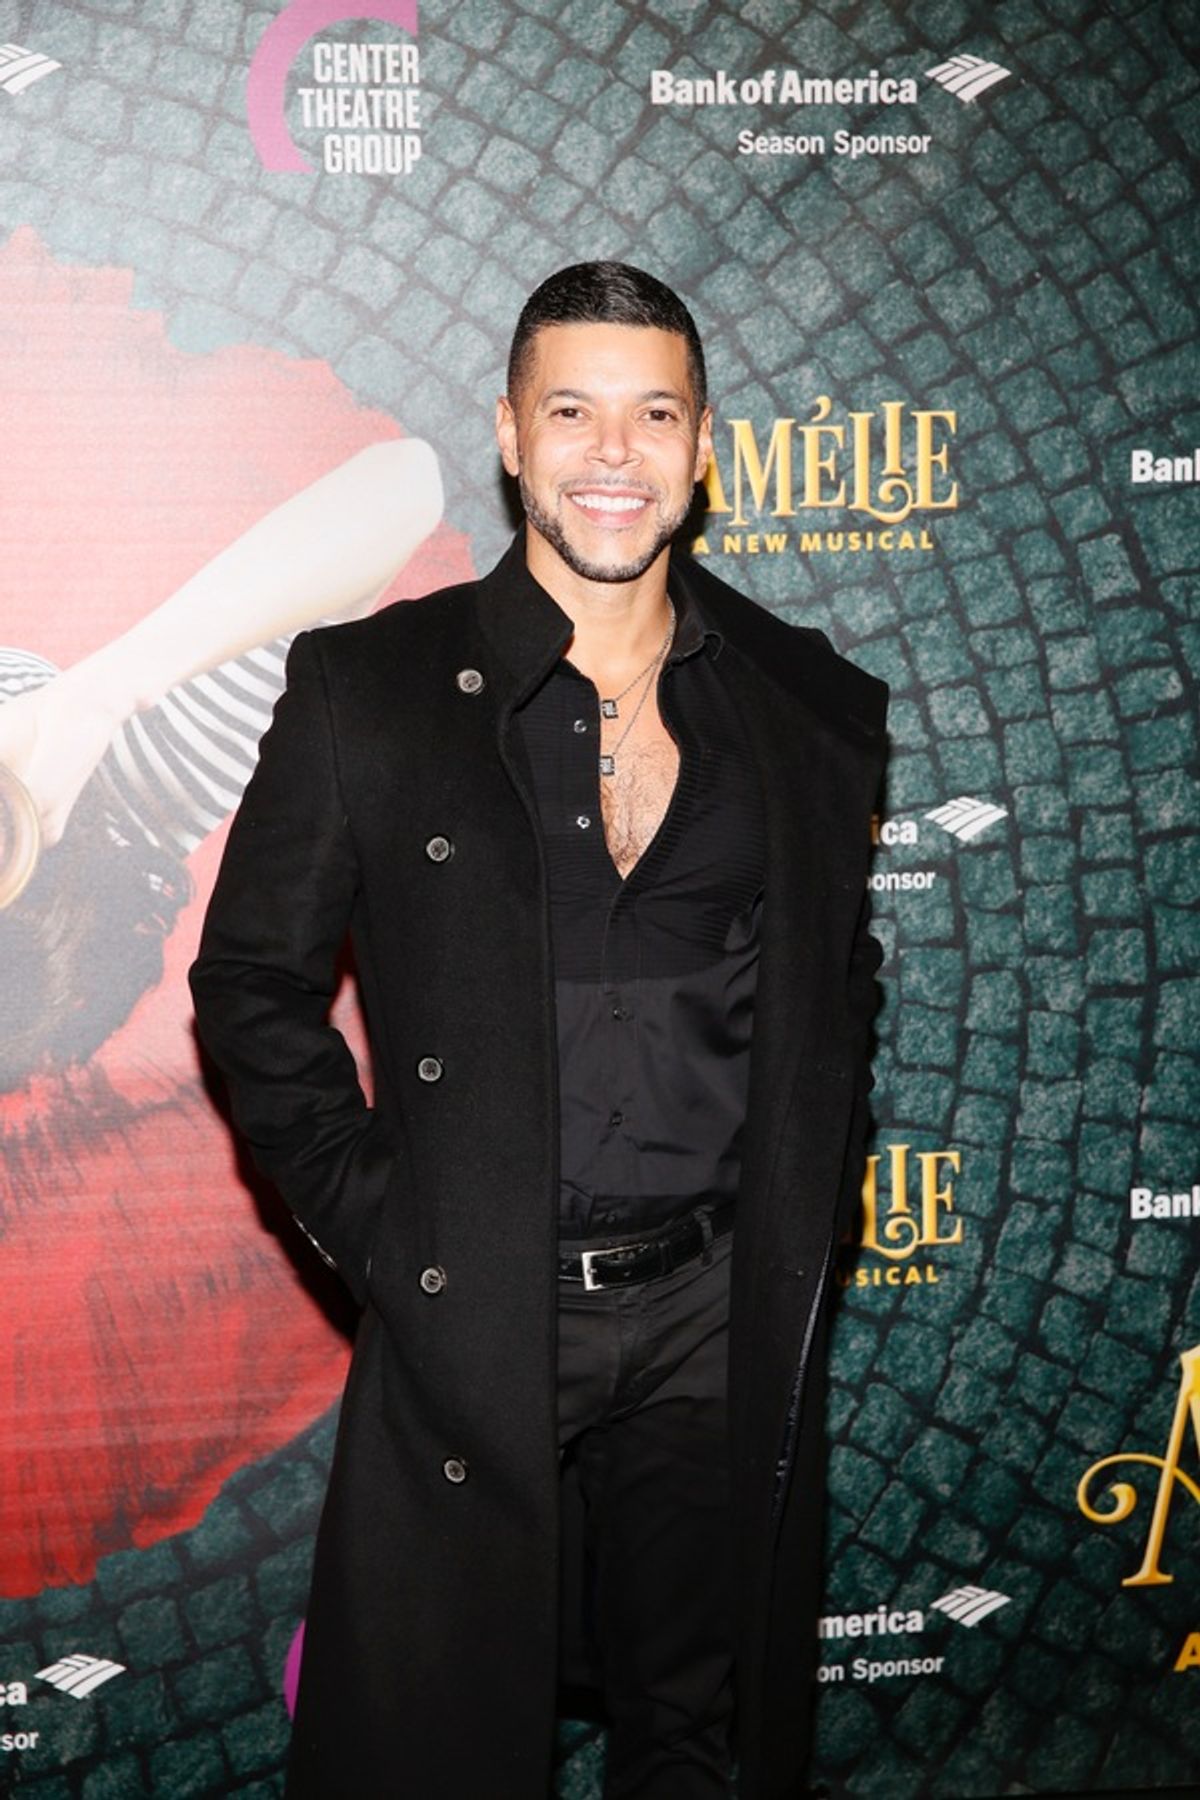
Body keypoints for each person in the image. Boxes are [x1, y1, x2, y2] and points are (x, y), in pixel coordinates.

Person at [189, 261, 888, 1800]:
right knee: (443, 1741)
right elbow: (250, 983)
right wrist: (382, 1221)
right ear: (512, 435)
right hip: (485, 1298)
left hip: (719, 1305)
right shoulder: (368, 692)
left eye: (654, 414)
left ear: (705, 449)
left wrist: (800, 1218)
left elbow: (843, 980)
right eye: (573, 411)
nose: (613, 454)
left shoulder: (810, 703)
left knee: (701, 1736)